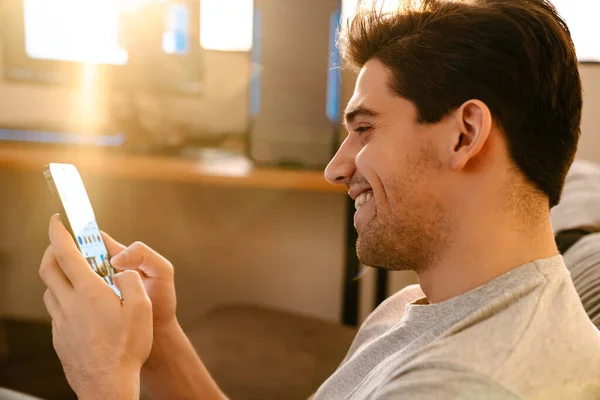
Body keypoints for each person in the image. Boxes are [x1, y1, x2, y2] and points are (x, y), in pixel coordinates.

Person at [38, 0, 600, 399]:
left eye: (365, 129)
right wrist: (159, 342)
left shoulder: (465, 385)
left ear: (464, 134)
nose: (336, 168)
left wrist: (104, 379)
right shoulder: (416, 306)